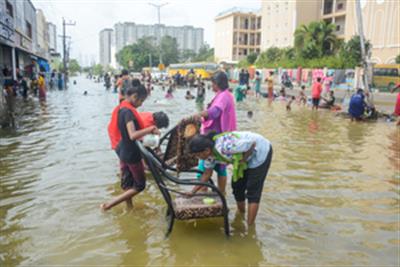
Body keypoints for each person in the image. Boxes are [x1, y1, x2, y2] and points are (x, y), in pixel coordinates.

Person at [188, 131, 273, 225]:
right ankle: (241, 215)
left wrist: (244, 159)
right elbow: (206, 174)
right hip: (245, 155)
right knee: (237, 187)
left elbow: (252, 143)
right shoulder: (208, 157)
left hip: (260, 150)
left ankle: (250, 227)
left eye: (198, 155)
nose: (197, 157)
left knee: (253, 190)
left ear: (207, 150)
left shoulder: (226, 147)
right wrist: (192, 192)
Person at [101, 85, 160, 211]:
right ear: (134, 97)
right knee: (140, 186)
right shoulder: (128, 112)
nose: (141, 104)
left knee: (128, 183)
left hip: (122, 151)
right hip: (132, 154)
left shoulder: (121, 108)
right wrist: (150, 129)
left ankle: (129, 208)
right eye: (141, 101)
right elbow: (133, 135)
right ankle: (109, 204)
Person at [189, 71, 237, 194]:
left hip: (216, 139)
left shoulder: (223, 96)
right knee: (220, 168)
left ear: (216, 83)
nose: (212, 86)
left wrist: (200, 114)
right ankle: (221, 194)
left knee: (204, 168)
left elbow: (215, 112)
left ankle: (204, 192)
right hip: (221, 137)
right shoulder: (226, 95)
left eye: (213, 83)